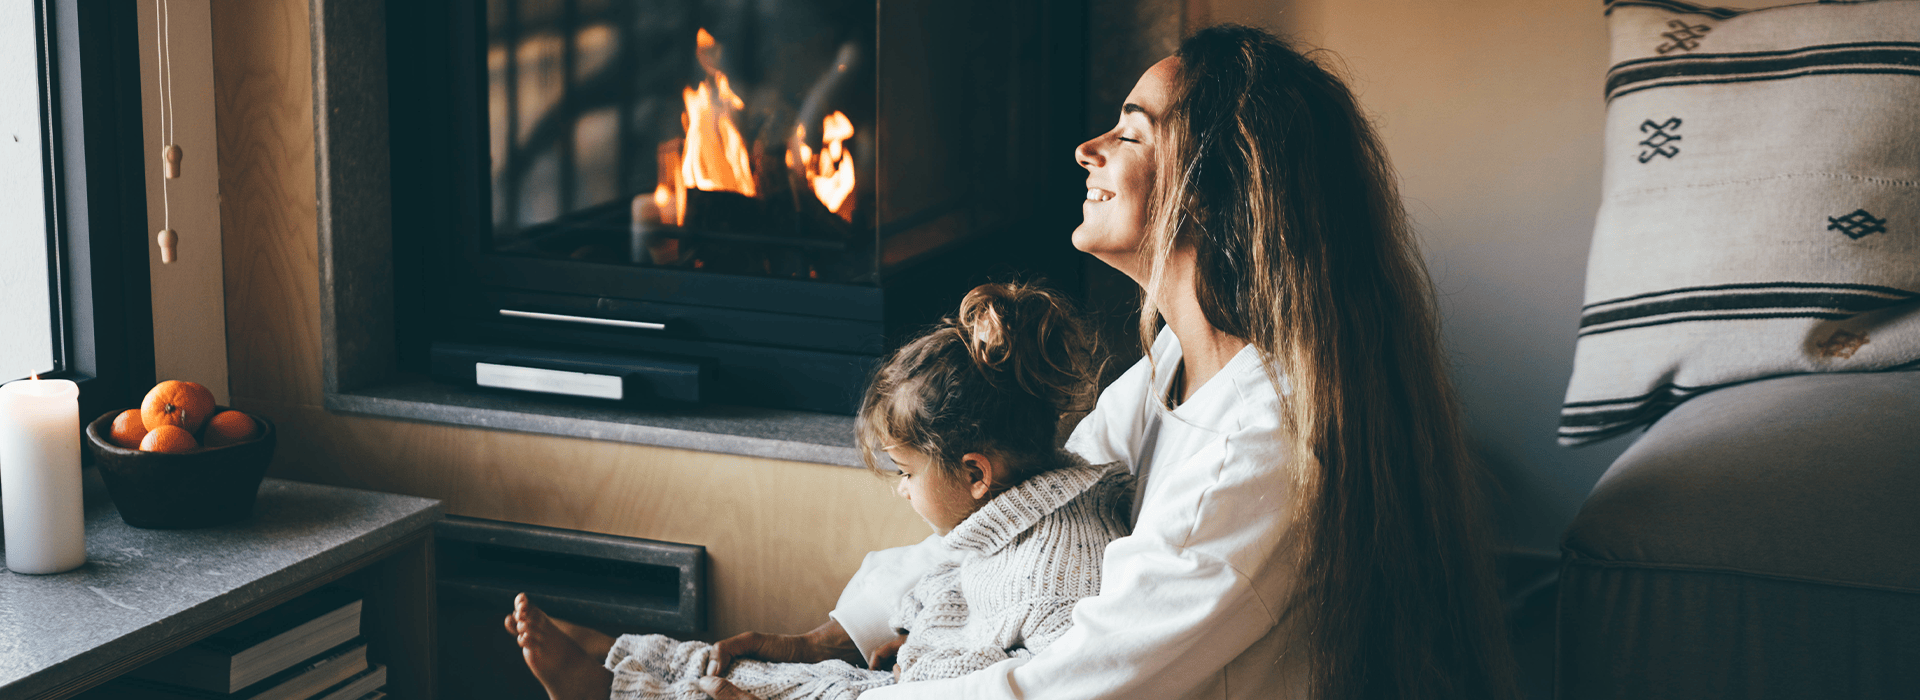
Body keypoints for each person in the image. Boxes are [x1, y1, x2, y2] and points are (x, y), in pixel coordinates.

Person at [697, 24, 1517, 700]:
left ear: (1210, 189)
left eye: (1129, 132)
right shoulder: (1173, 370)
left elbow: (1065, 682)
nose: (1088, 148)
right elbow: (1020, 511)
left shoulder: (1258, 440)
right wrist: (838, 634)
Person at [506, 283, 1137, 700]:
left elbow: (1059, 677)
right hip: (899, 675)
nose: (902, 493)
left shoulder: (1066, 564)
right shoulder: (1016, 511)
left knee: (770, 689)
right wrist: (909, 637)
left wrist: (932, 661)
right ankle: (626, 651)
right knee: (755, 667)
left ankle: (610, 686)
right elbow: (967, 605)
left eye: (906, 474)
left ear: (974, 474)